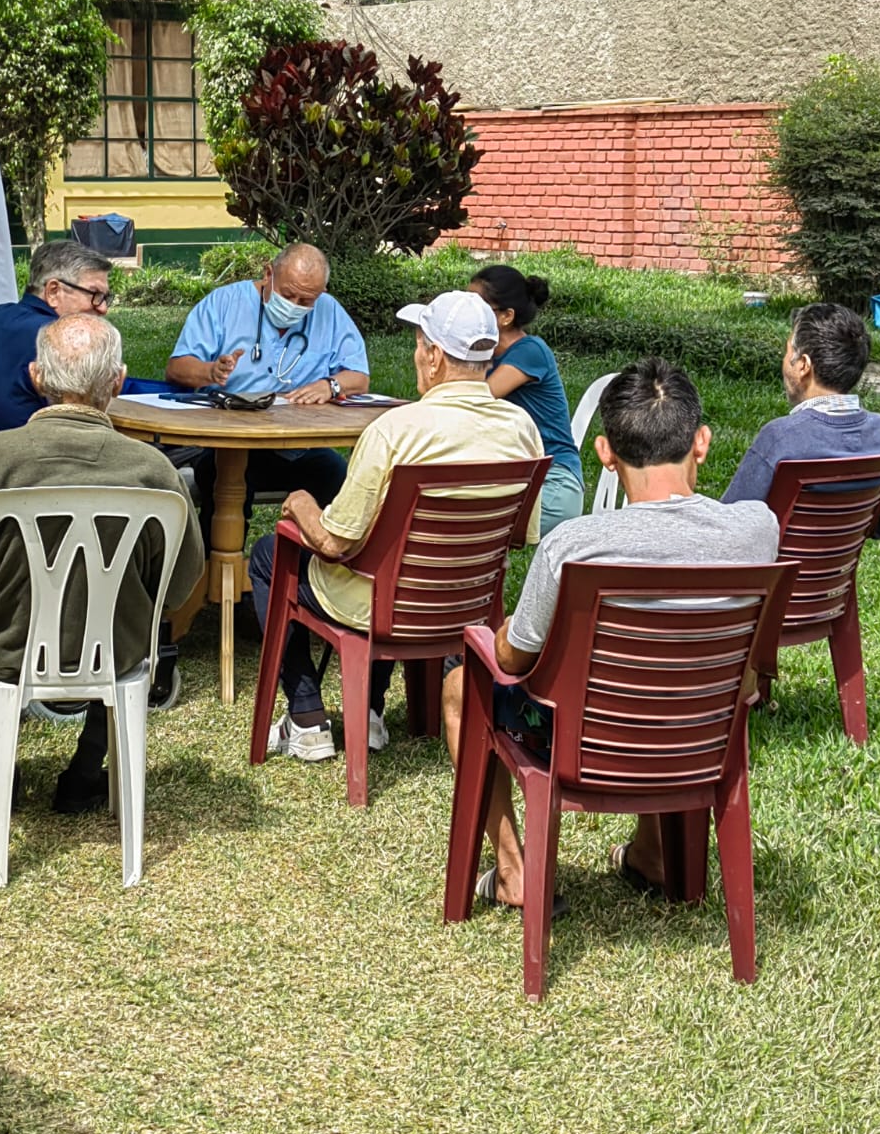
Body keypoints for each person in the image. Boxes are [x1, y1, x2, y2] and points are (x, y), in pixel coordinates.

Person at [442, 356, 780, 908]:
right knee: (668, 668)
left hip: (587, 743)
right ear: (701, 442)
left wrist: (496, 635)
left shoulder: (574, 545)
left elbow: (512, 659)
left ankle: (513, 873)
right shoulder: (756, 529)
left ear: (604, 452)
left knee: (461, 687)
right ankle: (650, 853)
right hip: (701, 734)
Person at [0, 314, 204, 812]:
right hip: (116, 653)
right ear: (117, 380)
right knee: (118, 635)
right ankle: (86, 770)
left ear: (37, 377)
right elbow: (178, 585)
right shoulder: (154, 470)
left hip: (4, 652)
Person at [247, 291, 544, 762]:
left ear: (435, 356)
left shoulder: (395, 429)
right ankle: (369, 711)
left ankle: (306, 717)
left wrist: (302, 503)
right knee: (387, 557)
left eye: (418, 343)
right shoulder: (522, 427)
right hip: (465, 602)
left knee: (269, 553)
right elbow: (520, 535)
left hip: (383, 607)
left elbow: (332, 540)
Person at [166, 243, 370, 546]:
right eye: (288, 295)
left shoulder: (329, 311)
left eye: (307, 300)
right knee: (225, 480)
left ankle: (320, 574)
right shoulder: (223, 304)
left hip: (297, 446)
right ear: (268, 273)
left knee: (338, 478)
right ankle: (219, 577)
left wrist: (331, 386)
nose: (296, 305)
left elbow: (358, 377)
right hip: (228, 445)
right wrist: (211, 372)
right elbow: (177, 367)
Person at [723, 302, 880, 536]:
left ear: (804, 365)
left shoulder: (780, 438)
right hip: (837, 571)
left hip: (772, 573)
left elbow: (728, 529)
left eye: (788, 352)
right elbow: (879, 527)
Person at [0, 239, 114, 431]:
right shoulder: (64, 339)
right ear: (54, 291)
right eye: (95, 295)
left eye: (105, 298)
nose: (103, 308)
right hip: (35, 456)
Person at [468, 265, 584, 535]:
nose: (467, 314)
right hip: (517, 479)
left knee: (462, 529)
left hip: (553, 484)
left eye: (477, 306)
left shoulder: (529, 351)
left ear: (507, 316)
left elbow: (475, 400)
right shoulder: (489, 354)